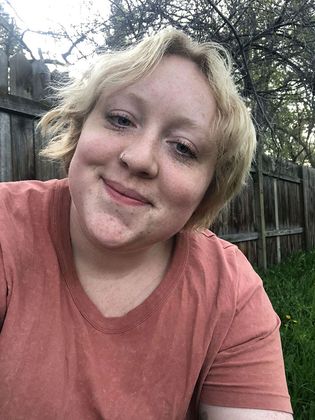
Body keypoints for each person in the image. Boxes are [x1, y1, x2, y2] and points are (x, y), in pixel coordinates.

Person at [0, 28, 293, 419]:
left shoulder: (230, 291)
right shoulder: (6, 226)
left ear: (209, 189)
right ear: (79, 127)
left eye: (183, 148)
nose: (139, 158)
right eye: (121, 119)